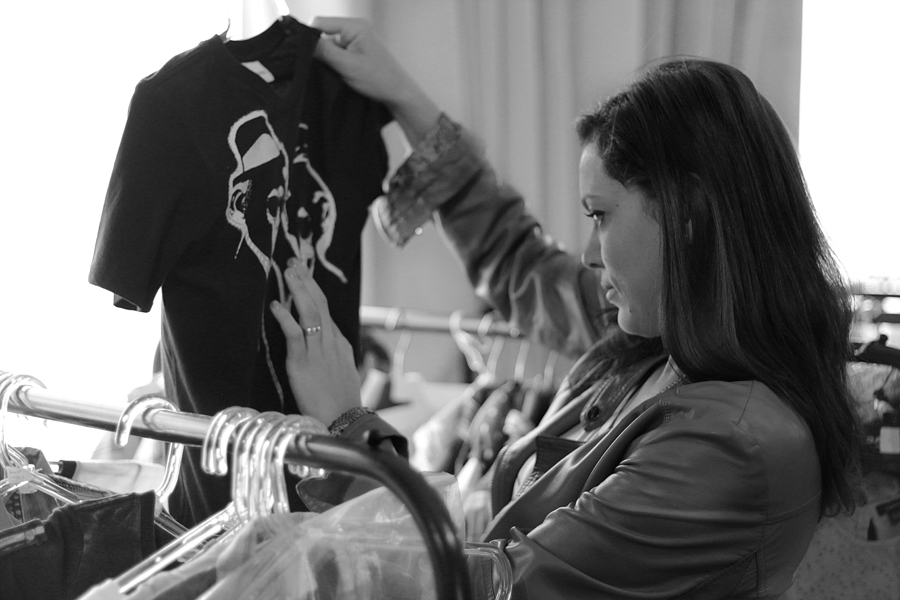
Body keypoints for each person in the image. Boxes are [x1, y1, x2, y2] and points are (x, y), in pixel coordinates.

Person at [268, 17, 862, 600]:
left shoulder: (730, 449)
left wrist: (347, 428)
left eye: (600, 215)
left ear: (688, 214)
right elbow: (516, 258)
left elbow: (494, 590)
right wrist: (403, 97)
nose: (589, 253)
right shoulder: (654, 339)